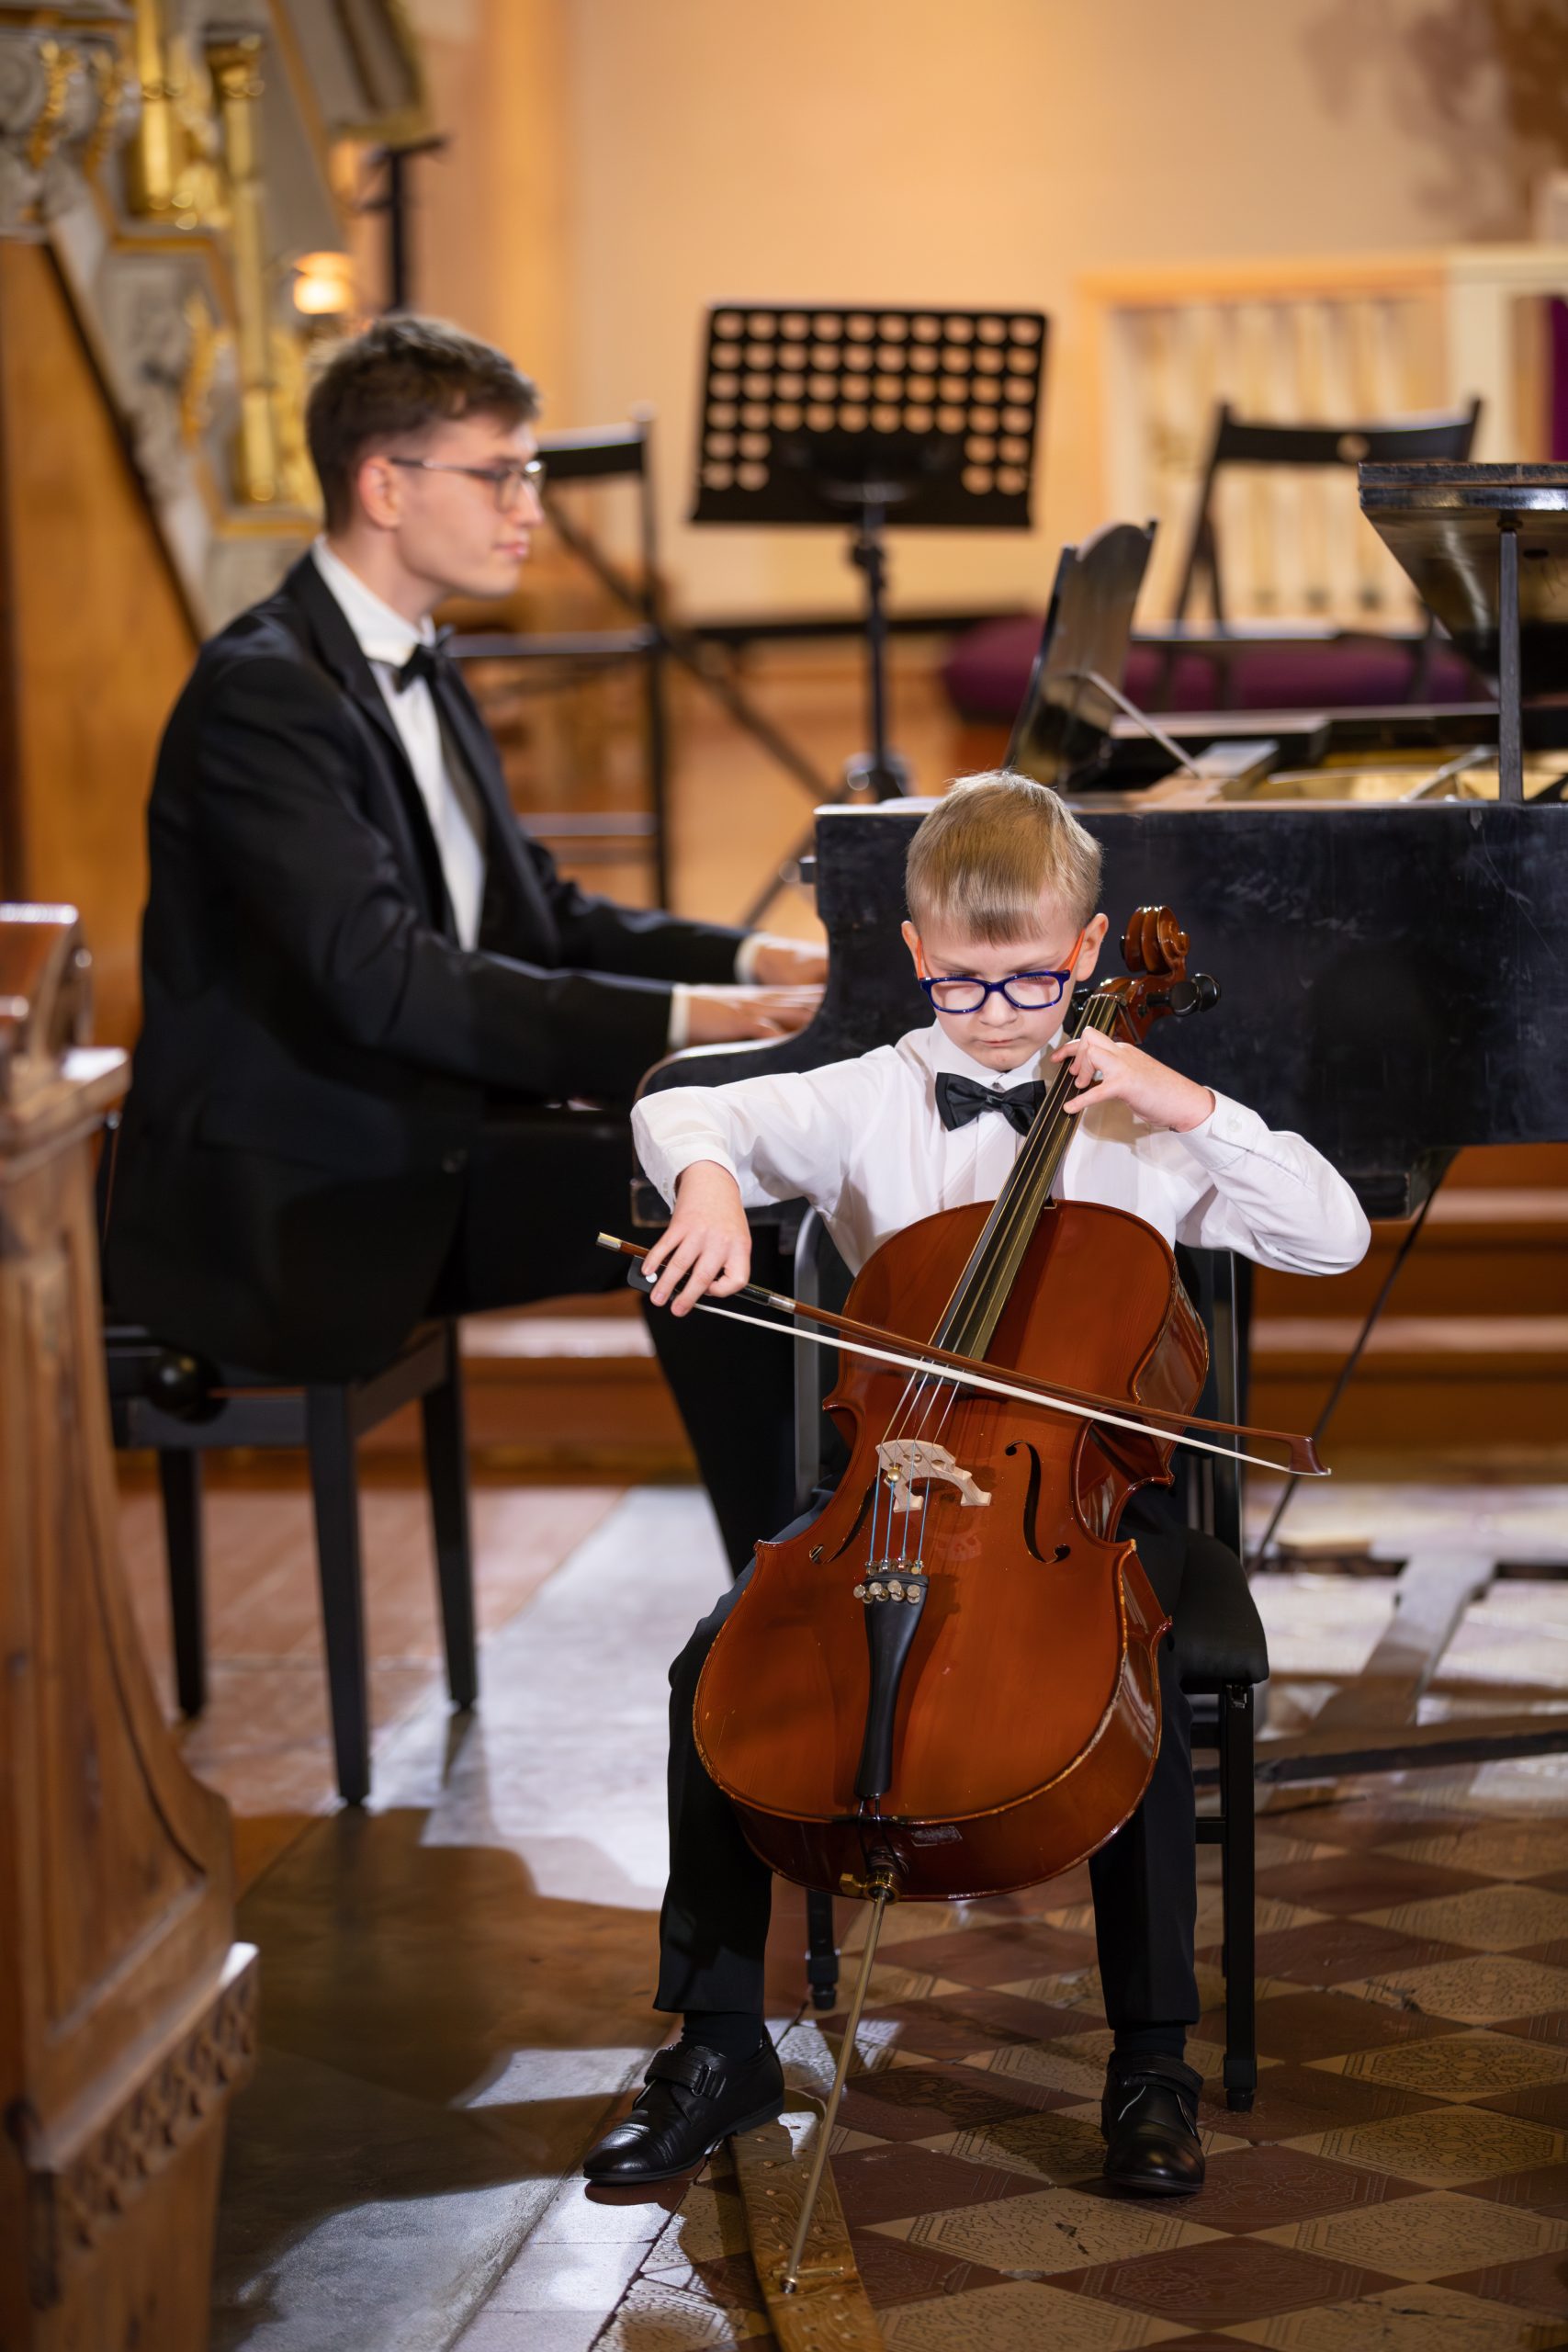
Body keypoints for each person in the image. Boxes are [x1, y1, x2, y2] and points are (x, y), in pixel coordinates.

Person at [584, 772, 1371, 2195]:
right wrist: (705, 1185)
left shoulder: (1138, 1120)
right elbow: (686, 1114)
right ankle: (717, 2044)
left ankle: (1151, 2060)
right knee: (717, 1662)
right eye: (960, 983)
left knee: (1125, 1671)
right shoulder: (867, 1097)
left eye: (1030, 982)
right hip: (889, 1491)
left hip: (1091, 1510)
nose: (997, 1015)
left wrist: (1188, 1104)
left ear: (1088, 953)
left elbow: (1331, 1234)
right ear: (912, 953)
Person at [104, 314, 820, 1567]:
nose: (528, 508)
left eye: (527, 474)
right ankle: (788, 1601)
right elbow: (384, 983)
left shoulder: (420, 662)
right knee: (718, 1202)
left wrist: (757, 964)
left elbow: (544, 914)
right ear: (385, 485)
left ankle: (809, 1575)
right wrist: (697, 1025)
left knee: (740, 1179)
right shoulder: (265, 694)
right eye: (499, 475)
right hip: (305, 1195)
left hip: (415, 1134)